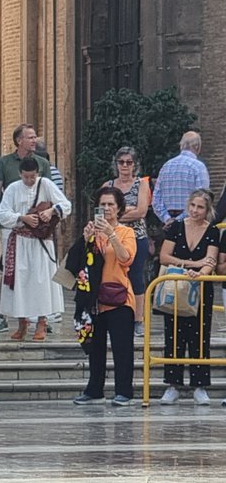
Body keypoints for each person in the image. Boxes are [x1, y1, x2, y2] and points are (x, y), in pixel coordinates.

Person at [74, 187, 137, 407]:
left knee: (122, 348)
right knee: (95, 348)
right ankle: (94, 390)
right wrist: (86, 241)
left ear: (119, 208)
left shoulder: (126, 232)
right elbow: (79, 262)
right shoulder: (92, 231)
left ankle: (124, 391)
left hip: (119, 297)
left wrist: (111, 234)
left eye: (111, 204)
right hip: (94, 298)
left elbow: (126, 258)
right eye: (103, 205)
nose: (107, 208)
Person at [0, 157, 71, 341]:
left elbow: (66, 205)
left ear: (37, 173)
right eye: (26, 177)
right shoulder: (13, 188)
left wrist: (51, 211)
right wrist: (22, 218)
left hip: (40, 242)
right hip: (20, 242)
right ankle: (22, 323)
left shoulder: (45, 184)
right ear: (20, 174)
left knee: (41, 282)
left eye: (32, 176)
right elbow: (2, 214)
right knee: (20, 282)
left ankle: (41, 322)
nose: (29, 180)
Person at [157, 189, 219, 405]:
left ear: (207, 209)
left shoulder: (212, 231)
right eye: (193, 205)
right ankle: (172, 384)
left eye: (200, 207)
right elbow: (164, 256)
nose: (195, 210)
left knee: (200, 335)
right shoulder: (176, 226)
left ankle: (199, 386)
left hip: (200, 289)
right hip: (175, 286)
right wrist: (191, 265)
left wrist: (201, 273)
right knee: (173, 334)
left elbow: (210, 261)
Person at [103, 147, 151, 337]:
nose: (125, 166)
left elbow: (141, 211)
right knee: (110, 276)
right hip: (111, 236)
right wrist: (127, 210)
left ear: (134, 165)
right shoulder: (108, 185)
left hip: (136, 236)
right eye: (121, 162)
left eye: (129, 162)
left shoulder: (141, 184)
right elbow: (103, 212)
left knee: (136, 277)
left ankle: (138, 320)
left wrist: (117, 214)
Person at [152, 131, 209, 226]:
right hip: (192, 222)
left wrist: (167, 218)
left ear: (181, 146)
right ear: (197, 147)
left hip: (167, 224)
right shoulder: (198, 167)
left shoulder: (166, 166)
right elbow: (202, 198)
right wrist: (179, 219)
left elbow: (156, 199)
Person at [0, 123, 51, 192]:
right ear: (19, 141)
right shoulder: (3, 162)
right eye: (31, 138)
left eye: (35, 137)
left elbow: (48, 189)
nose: (34, 141)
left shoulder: (43, 163)